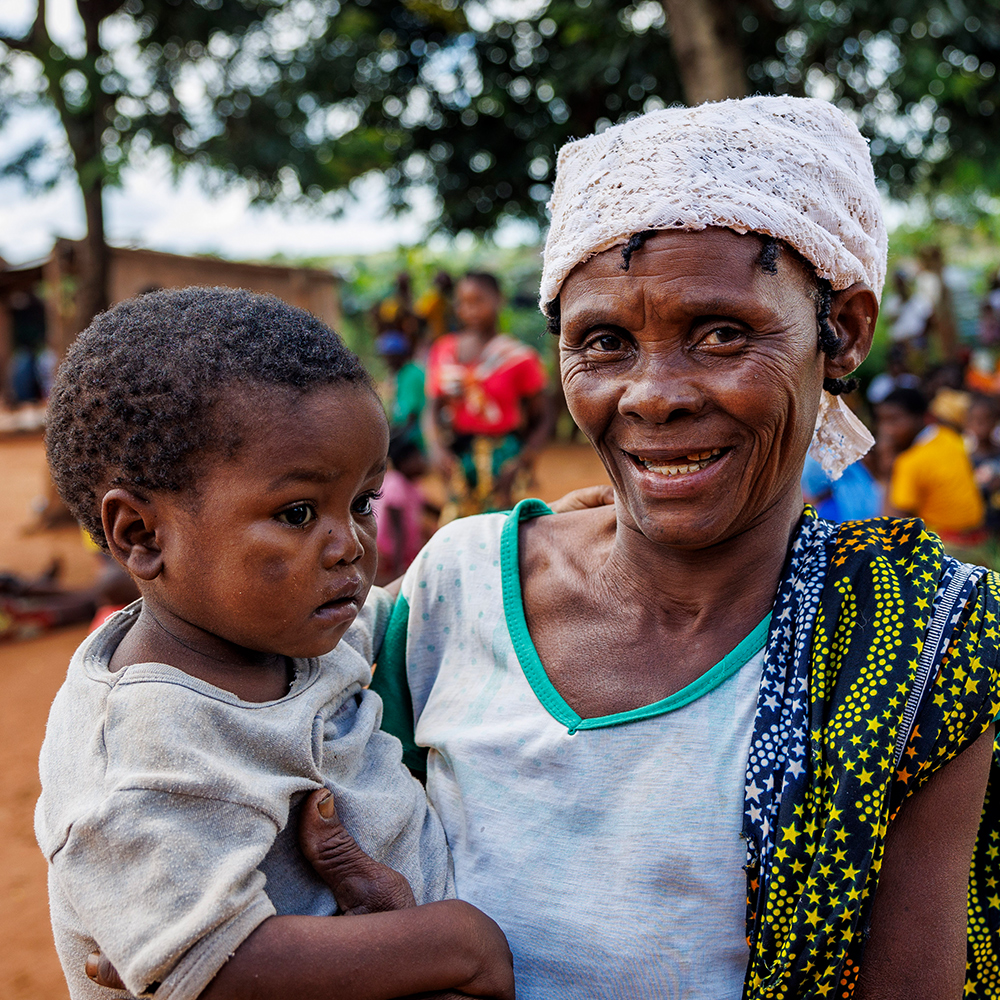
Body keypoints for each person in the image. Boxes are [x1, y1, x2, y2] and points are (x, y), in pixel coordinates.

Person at [371, 97, 1000, 998]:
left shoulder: (910, 646)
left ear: (846, 330)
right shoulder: (457, 587)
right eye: (603, 342)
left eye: (722, 333)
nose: (653, 395)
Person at [36, 288, 514, 1000]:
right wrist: (458, 945)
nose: (349, 543)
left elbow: (406, 610)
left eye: (361, 503)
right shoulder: (139, 757)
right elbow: (213, 969)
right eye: (297, 513)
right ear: (141, 534)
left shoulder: (281, 633)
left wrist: (545, 532)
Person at [424, 271, 554, 519]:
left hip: (504, 459)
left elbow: (545, 416)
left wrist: (523, 460)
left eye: (478, 301)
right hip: (458, 456)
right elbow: (431, 408)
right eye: (463, 302)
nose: (469, 310)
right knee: (459, 525)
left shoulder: (519, 358)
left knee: (500, 526)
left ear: (499, 300)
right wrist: (436, 447)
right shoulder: (444, 351)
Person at [878, 386, 987, 547]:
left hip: (945, 546)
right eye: (882, 421)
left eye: (894, 420)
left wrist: (887, 471)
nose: (886, 431)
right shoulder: (949, 435)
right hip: (980, 539)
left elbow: (893, 525)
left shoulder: (909, 462)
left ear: (922, 417)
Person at [373, 435, 432, 585]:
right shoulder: (396, 482)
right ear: (405, 462)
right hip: (391, 556)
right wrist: (398, 567)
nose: (422, 462)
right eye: (418, 458)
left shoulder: (412, 487)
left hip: (402, 555)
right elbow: (396, 526)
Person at [376, 330, 426, 450]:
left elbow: (410, 419)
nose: (385, 360)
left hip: (416, 440)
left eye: (388, 356)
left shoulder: (411, 374)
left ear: (398, 355)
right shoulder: (401, 375)